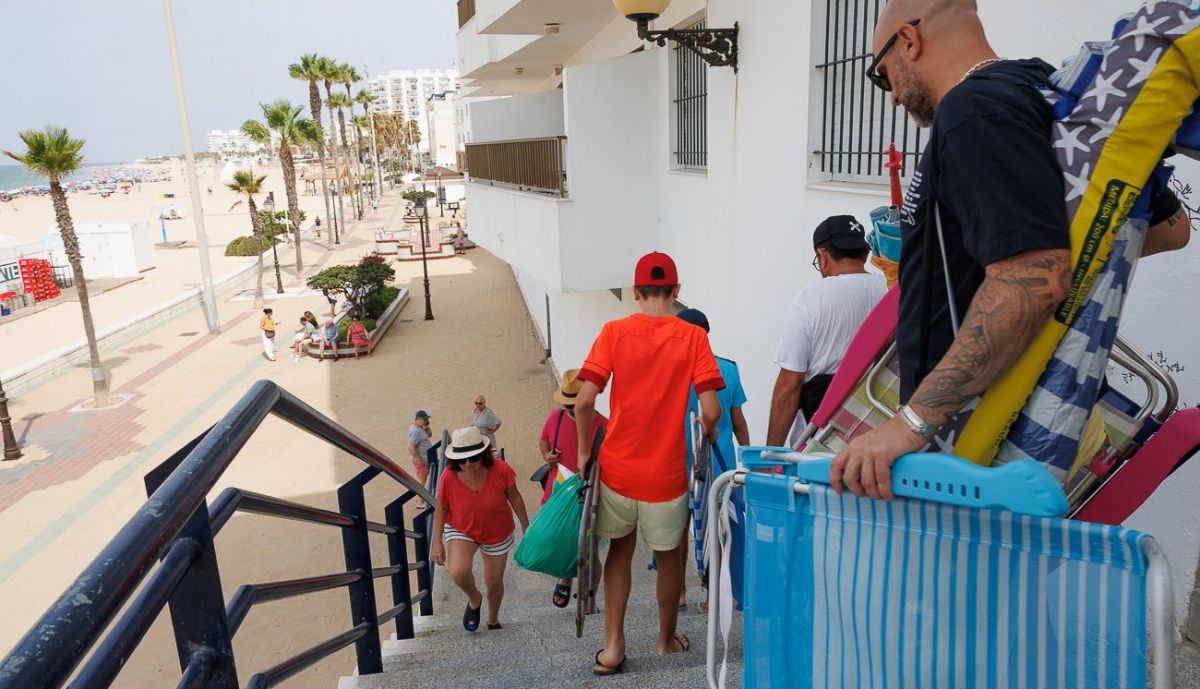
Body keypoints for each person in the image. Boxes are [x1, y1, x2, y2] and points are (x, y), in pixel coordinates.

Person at [831, 0, 1189, 499]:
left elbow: (1030, 277)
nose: (891, 98)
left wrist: (910, 424)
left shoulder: (972, 113)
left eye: (882, 74)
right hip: (1004, 425)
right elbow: (1171, 229)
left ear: (909, 40)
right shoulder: (1042, 90)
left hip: (971, 444)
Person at [574, 251, 724, 675]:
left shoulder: (614, 331)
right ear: (676, 292)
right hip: (666, 474)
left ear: (636, 293)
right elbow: (711, 410)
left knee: (620, 552)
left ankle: (613, 645)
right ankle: (665, 641)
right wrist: (708, 432)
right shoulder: (693, 337)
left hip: (619, 469)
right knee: (668, 557)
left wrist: (586, 451)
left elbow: (585, 401)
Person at [766, 216, 888, 447]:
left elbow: (790, 384)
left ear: (822, 255)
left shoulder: (808, 300)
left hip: (820, 442)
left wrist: (770, 454)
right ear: (864, 254)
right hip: (880, 439)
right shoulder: (892, 291)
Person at [675, 308, 750, 610]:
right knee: (719, 529)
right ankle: (712, 595)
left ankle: (677, 592)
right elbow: (739, 422)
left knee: (677, 529)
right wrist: (748, 461)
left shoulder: (671, 373)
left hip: (678, 461)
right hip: (721, 463)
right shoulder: (728, 369)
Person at [431, 427, 529, 633]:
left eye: (473, 458)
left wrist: (526, 526)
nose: (466, 464)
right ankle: (474, 598)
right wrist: (437, 542)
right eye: (461, 460)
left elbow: (515, 496)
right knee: (458, 572)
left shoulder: (501, 469)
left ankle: (493, 618)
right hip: (461, 528)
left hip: (497, 531)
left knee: (494, 583)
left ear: (483, 454)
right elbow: (442, 507)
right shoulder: (448, 476)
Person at [537, 369, 609, 608]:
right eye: (567, 405)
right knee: (560, 540)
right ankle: (565, 577)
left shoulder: (604, 426)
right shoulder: (555, 418)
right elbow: (544, 440)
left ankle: (590, 597)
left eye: (573, 404)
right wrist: (548, 456)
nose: (569, 410)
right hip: (559, 493)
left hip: (591, 495)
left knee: (589, 549)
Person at [408, 410, 434, 505]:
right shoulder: (415, 431)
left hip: (423, 458)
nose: (426, 420)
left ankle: (420, 498)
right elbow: (410, 448)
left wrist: (427, 426)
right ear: (418, 419)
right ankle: (419, 501)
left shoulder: (420, 427)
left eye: (427, 418)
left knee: (422, 478)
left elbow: (430, 435)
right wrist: (420, 460)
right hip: (422, 459)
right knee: (422, 479)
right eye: (424, 419)